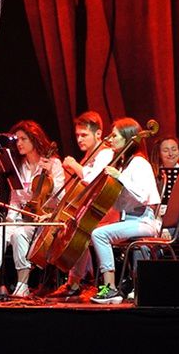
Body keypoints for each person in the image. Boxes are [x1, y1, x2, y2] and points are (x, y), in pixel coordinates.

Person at [0, 119, 65, 300]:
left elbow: (61, 199)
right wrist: (10, 217)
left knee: (19, 234)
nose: (19, 143)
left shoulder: (53, 163)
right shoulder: (18, 165)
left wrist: (50, 176)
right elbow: (16, 198)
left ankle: (22, 286)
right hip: (23, 219)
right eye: (17, 139)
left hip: (45, 220)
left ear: (35, 139)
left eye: (23, 139)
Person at [89, 117, 161, 305]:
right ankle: (116, 286)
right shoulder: (126, 163)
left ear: (128, 138)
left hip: (143, 221)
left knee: (99, 234)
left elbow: (143, 196)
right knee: (95, 231)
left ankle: (110, 288)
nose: (110, 139)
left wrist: (119, 176)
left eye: (115, 136)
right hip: (129, 220)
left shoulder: (140, 163)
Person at [50, 111, 113, 298]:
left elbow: (92, 179)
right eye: (77, 135)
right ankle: (75, 281)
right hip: (90, 209)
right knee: (71, 228)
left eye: (84, 135)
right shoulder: (89, 156)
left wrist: (74, 165)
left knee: (77, 232)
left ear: (98, 134)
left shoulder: (106, 153)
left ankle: (79, 281)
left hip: (106, 210)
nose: (79, 139)